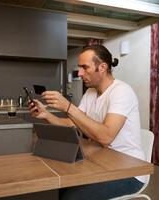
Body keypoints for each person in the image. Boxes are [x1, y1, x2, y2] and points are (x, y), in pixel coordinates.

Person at [28, 45, 147, 200]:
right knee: (57, 189)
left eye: (85, 67)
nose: (80, 73)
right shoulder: (90, 93)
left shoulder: (122, 92)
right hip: (99, 161)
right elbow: (74, 123)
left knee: (71, 198)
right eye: (80, 67)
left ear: (102, 67)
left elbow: (106, 137)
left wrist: (68, 107)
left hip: (129, 171)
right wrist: (46, 115)